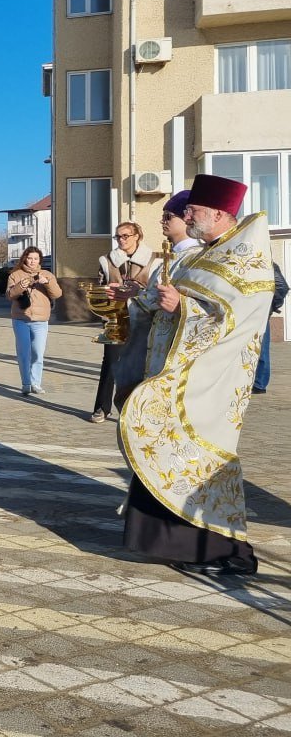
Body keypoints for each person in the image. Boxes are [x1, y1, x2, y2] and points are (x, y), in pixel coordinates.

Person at [119, 174, 274, 578]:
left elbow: (236, 318)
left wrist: (182, 309)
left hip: (211, 380)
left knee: (203, 455)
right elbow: (178, 296)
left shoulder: (244, 258)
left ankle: (229, 549)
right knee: (165, 446)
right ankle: (169, 540)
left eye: (194, 210)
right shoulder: (207, 251)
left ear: (220, 213)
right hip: (177, 371)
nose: (187, 215)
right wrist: (153, 300)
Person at [112, 191, 200, 407]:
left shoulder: (196, 258)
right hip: (150, 342)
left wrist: (137, 297)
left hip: (173, 347)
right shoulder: (168, 258)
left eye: (168, 216)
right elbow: (153, 296)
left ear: (186, 218)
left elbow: (169, 299)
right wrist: (134, 294)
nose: (162, 221)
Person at [91, 221, 159, 422]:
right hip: (116, 318)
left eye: (125, 236)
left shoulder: (154, 260)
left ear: (137, 236)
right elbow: (98, 291)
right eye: (117, 236)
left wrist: (139, 289)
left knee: (141, 365)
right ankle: (102, 407)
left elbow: (157, 290)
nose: (121, 240)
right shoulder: (107, 260)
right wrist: (107, 291)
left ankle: (135, 410)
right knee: (111, 362)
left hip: (144, 318)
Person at [5, 247, 62, 396]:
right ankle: (26, 383)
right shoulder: (15, 275)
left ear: (40, 261)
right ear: (25, 258)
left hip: (40, 320)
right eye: (30, 258)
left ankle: (36, 383)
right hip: (20, 318)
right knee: (24, 352)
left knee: (38, 352)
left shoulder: (47, 274)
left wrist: (47, 282)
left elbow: (57, 293)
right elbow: (9, 295)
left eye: (36, 259)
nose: (32, 261)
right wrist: (20, 286)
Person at [253, 262, 286, 394]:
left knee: (261, 348)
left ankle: (259, 384)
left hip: (259, 310)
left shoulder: (267, 263)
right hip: (256, 310)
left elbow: (282, 287)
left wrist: (271, 307)